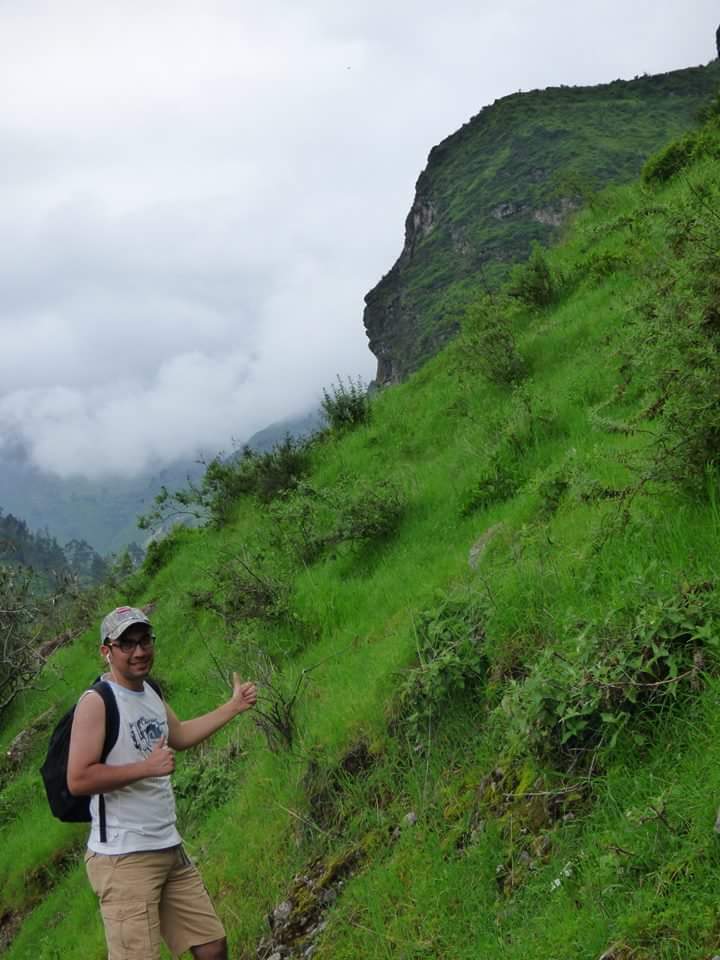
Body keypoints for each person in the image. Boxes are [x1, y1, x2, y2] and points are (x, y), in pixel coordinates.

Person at [68, 605, 257, 960]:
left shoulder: (149, 691)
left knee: (212, 946)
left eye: (144, 641)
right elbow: (78, 778)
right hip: (124, 858)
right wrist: (147, 767)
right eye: (127, 644)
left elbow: (181, 734)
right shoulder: (98, 702)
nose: (139, 652)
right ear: (106, 651)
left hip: (167, 846)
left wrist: (233, 707)